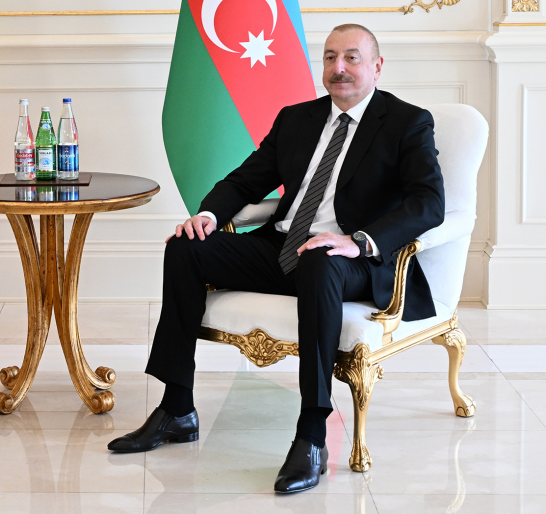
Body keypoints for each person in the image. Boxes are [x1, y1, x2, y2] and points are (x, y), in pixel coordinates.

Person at [109, 24, 445, 494]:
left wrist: (359, 240)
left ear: (376, 66)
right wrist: (208, 215)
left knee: (320, 260)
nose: (339, 68)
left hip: (347, 260)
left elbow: (428, 202)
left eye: (351, 57)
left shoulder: (407, 122)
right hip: (283, 249)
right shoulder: (297, 119)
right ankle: (177, 408)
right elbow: (246, 180)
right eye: (330, 57)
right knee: (185, 247)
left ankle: (311, 435)